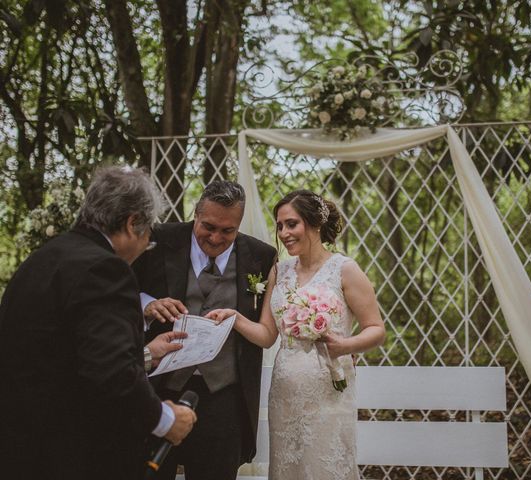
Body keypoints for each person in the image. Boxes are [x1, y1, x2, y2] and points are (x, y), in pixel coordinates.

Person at [0, 166, 197, 480]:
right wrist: (165, 419)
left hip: (21, 449)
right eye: (148, 237)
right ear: (133, 222)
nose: (146, 245)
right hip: (76, 456)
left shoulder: (41, 260)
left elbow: (67, 356)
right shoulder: (105, 269)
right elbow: (112, 372)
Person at [208, 189, 386, 479]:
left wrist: (345, 345)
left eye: (292, 224)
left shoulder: (344, 270)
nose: (284, 233)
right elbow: (267, 335)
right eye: (280, 226)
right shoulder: (280, 271)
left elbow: (376, 330)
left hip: (328, 388)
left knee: (324, 467)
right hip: (285, 389)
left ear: (314, 224)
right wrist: (235, 318)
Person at [132, 180, 277, 480]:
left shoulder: (261, 256)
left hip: (224, 395)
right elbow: (121, 289)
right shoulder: (158, 240)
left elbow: (266, 326)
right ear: (196, 214)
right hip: (159, 388)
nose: (215, 237)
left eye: (228, 231)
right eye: (208, 226)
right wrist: (146, 305)